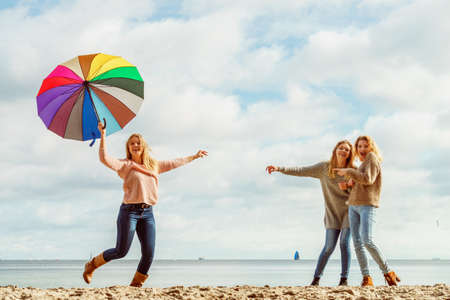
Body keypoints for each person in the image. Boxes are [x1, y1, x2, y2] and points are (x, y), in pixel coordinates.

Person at [83, 122, 208, 287]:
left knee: (149, 253)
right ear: (129, 148)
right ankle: (91, 265)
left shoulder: (153, 165)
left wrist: (194, 156)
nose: (135, 145)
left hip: (148, 213)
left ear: (143, 146)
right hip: (129, 212)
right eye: (132, 143)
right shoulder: (125, 165)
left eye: (138, 143)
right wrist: (103, 134)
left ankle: (136, 285)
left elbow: (174, 162)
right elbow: (104, 158)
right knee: (121, 251)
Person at [266, 140, 355, 286]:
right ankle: (316, 279)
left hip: (349, 211)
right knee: (328, 247)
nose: (343, 151)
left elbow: (365, 186)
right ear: (336, 150)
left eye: (347, 149)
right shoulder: (324, 168)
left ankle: (344, 280)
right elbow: (302, 170)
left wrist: (353, 185)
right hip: (332, 214)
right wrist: (279, 168)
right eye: (341, 148)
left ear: (349, 154)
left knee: (344, 243)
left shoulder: (352, 171)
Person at [333, 135, 400, 287]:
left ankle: (388, 272)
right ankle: (367, 278)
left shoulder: (372, 158)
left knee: (367, 240)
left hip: (367, 205)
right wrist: (349, 184)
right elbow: (362, 180)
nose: (362, 149)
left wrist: (349, 171)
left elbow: (368, 179)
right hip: (353, 205)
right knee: (357, 243)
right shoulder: (362, 163)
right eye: (359, 146)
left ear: (371, 147)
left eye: (365, 146)